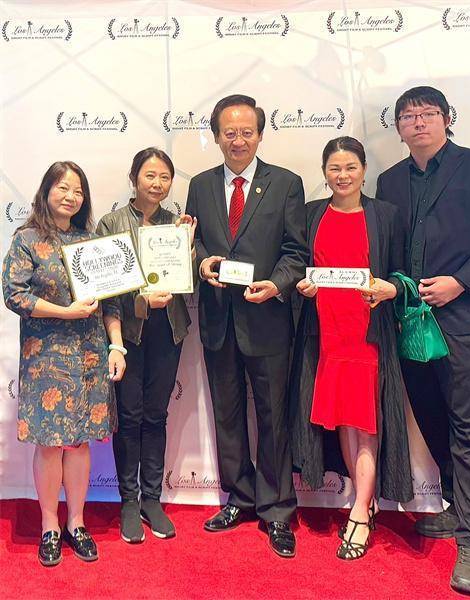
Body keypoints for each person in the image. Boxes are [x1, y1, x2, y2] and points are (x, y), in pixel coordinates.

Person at [376, 86, 470, 594]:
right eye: (408, 116)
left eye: (428, 113)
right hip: (413, 324)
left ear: (446, 118)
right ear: (398, 127)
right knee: (433, 418)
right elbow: (391, 250)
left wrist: (460, 282)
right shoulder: (390, 181)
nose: (418, 122)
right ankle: (460, 506)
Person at [185, 94, 308, 558]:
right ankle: (239, 496)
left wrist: (277, 285)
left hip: (268, 319)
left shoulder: (286, 183)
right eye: (229, 133)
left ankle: (277, 509)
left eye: (246, 132)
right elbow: (193, 242)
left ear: (259, 134)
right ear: (216, 137)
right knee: (227, 413)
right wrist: (201, 263)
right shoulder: (200, 185)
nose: (238, 140)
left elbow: (296, 251)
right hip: (219, 319)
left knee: (274, 416)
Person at [289, 136, 413, 560]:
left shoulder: (385, 215)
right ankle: (365, 500)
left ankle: (360, 510)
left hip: (368, 336)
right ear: (325, 173)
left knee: (366, 423)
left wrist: (390, 288)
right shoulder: (310, 214)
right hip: (326, 336)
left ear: (363, 171)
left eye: (350, 168)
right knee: (344, 420)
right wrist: (303, 286)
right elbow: (299, 265)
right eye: (335, 169)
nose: (342, 176)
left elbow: (402, 273)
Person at [2, 161, 126, 566]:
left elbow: (110, 301)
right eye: (63, 188)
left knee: (79, 443)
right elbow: (14, 294)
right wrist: (65, 312)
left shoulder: (92, 242)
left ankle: (77, 522)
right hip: (46, 359)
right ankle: (49, 526)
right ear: (46, 191)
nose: (71, 196)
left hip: (89, 356)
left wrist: (116, 347)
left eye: (78, 190)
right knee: (50, 445)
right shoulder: (27, 239)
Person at [96, 148, 196, 543]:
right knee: (130, 416)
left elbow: (187, 281)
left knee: (156, 416)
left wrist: (189, 248)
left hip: (168, 331)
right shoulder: (112, 223)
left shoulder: (176, 224)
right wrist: (141, 301)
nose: (157, 184)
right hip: (127, 333)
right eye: (149, 175)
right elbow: (106, 287)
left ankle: (152, 500)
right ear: (134, 178)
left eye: (164, 177)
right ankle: (128, 501)